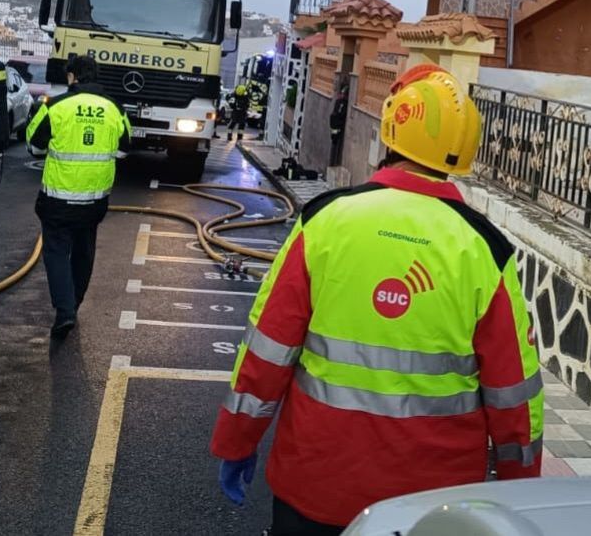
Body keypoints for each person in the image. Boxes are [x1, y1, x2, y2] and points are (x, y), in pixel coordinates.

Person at [210, 64, 544, 535]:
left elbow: (268, 348)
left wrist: (238, 439)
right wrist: (520, 490)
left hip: (316, 486)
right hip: (433, 508)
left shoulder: (326, 221)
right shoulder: (483, 249)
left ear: (391, 130)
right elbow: (515, 394)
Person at [26, 54, 129, 337]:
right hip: (94, 200)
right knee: (84, 251)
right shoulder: (114, 109)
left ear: (72, 76)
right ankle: (76, 301)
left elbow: (34, 142)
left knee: (56, 251)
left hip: (58, 197)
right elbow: (124, 148)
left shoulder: (56, 105)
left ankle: (65, 309)